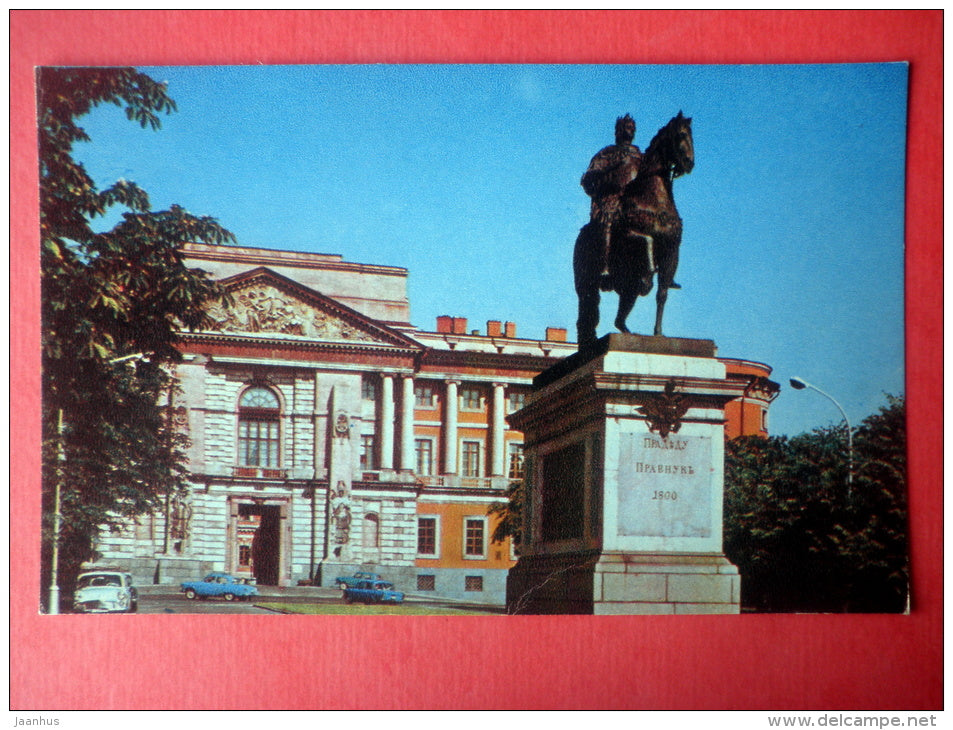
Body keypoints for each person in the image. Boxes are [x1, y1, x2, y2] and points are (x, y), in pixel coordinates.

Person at [581, 114, 643, 277]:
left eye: (632, 129)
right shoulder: (607, 154)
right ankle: (605, 266)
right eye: (627, 128)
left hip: (634, 200)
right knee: (609, 219)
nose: (630, 132)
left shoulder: (640, 156)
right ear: (618, 131)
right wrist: (606, 181)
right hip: (610, 199)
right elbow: (589, 178)